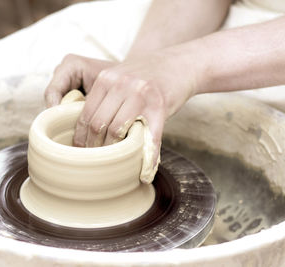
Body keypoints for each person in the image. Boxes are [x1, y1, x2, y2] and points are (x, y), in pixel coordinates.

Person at [44, 0, 285, 171]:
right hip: (219, 15)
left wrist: (183, 65)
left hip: (270, 49)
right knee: (35, 60)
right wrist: (137, 70)